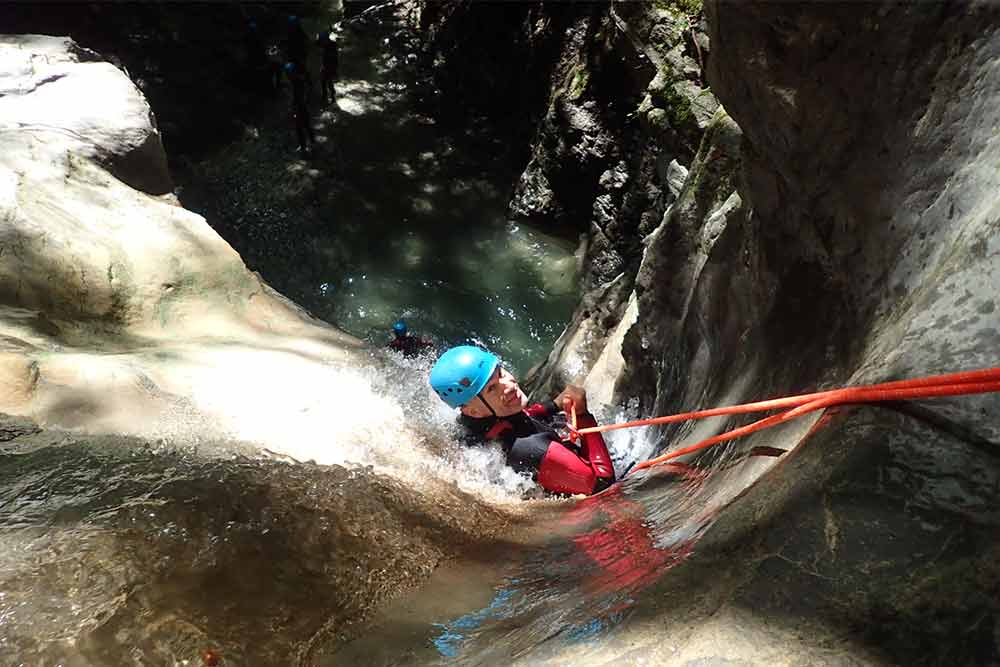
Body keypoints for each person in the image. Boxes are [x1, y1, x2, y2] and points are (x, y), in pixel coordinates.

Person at [429, 346, 615, 495]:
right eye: (492, 389)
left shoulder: (476, 420)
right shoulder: (531, 449)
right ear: (473, 411)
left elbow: (518, 417)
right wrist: (583, 415)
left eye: (500, 373)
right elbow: (602, 486)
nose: (508, 386)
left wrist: (554, 405)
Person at [285, 62, 315, 153]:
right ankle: (311, 141)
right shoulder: (299, 80)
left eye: (288, 73)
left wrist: (294, 108)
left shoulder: (296, 82)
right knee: (306, 125)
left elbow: (298, 97)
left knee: (300, 127)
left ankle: (303, 146)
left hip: (300, 107)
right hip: (302, 107)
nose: (287, 76)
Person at [317, 29, 340, 106]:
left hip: (330, 65)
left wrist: (334, 69)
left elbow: (335, 58)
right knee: (324, 81)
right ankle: (326, 96)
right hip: (326, 65)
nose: (322, 41)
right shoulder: (326, 44)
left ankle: (331, 96)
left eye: (322, 39)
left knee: (328, 81)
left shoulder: (332, 45)